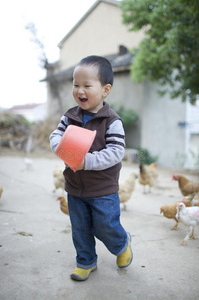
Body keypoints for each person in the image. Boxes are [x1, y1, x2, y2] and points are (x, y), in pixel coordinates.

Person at [49, 55, 133, 281]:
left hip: (103, 189)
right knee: (80, 228)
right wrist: (59, 146)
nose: (80, 90)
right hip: (75, 187)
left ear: (105, 90)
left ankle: (121, 244)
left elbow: (116, 152)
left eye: (87, 85)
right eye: (76, 85)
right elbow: (56, 134)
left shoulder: (111, 121)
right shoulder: (70, 116)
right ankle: (85, 261)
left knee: (105, 225)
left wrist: (87, 161)